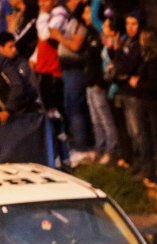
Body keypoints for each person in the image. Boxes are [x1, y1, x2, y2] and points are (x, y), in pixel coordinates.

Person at [50, 0, 90, 158]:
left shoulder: (81, 27)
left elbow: (75, 46)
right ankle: (75, 143)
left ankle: (81, 146)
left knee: (75, 108)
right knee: (69, 106)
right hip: (67, 71)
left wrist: (59, 36)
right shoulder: (72, 22)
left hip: (76, 72)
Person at [131, 28, 157, 183]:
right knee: (146, 136)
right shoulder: (146, 58)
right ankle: (150, 170)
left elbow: (154, 84)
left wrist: (137, 84)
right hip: (147, 102)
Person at [81, 4, 116, 164]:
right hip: (90, 84)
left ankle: (111, 151)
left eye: (88, 12)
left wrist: (99, 82)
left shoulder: (104, 39)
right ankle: (100, 147)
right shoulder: (91, 34)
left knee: (105, 119)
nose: (85, 16)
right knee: (95, 119)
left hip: (98, 85)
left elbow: (104, 64)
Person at [109, 11, 144, 169]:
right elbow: (117, 64)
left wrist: (118, 53)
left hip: (133, 94)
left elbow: (128, 65)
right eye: (128, 24)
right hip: (121, 90)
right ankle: (127, 158)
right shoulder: (125, 41)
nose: (130, 28)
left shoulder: (140, 43)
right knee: (122, 128)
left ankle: (141, 163)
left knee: (136, 131)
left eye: (134, 24)